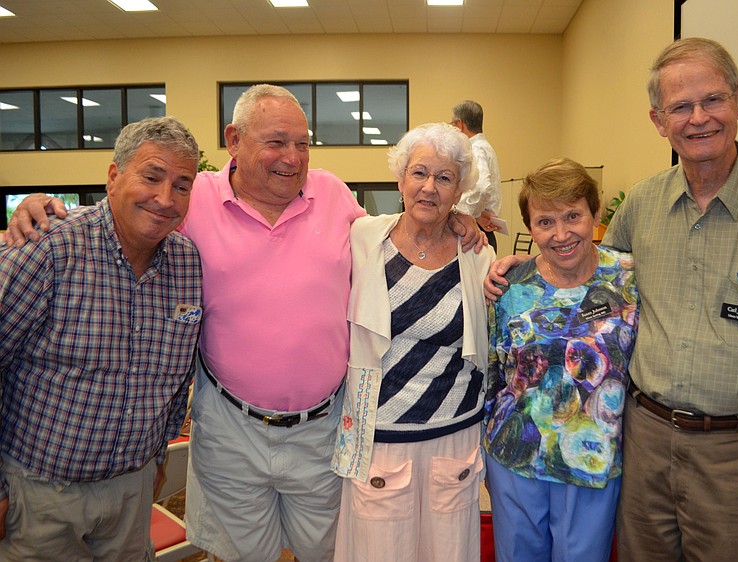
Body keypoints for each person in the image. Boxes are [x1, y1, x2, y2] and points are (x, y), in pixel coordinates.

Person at [4, 84, 484, 562]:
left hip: (322, 431)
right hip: (229, 430)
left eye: (302, 143)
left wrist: (457, 221)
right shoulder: (193, 199)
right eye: (276, 142)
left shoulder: (335, 196)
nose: (292, 158)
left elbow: (395, 236)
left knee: (330, 552)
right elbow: (132, 214)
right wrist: (39, 211)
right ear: (234, 140)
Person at [485, 37, 738, 562]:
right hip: (644, 448)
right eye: (680, 106)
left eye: (713, 100)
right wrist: (504, 261)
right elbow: (587, 278)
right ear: (659, 120)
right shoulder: (644, 205)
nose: (698, 118)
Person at [0, 116, 203, 561]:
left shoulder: (188, 263)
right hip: (41, 494)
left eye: (182, 185)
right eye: (151, 177)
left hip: (132, 493)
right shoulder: (48, 246)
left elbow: (175, 373)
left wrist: (157, 459)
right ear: (113, 176)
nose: (165, 199)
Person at [331, 122, 494, 562]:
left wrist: (470, 226)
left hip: (454, 434)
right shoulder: (363, 237)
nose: (429, 188)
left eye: (444, 178)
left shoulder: (477, 253)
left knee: (449, 551)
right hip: (379, 434)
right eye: (419, 173)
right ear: (400, 179)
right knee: (379, 551)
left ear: (459, 190)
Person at [483, 158, 638, 562]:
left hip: (593, 456)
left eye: (573, 216)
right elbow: (490, 372)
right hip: (516, 455)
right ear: (529, 228)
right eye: (545, 222)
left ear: (595, 214)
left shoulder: (628, 278)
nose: (561, 234)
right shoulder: (508, 286)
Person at [451, 100, 503, 250]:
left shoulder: (475, 149)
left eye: (452, 124)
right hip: (480, 228)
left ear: (459, 124)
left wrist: (460, 214)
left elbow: (481, 188)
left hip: (474, 232)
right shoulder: (485, 147)